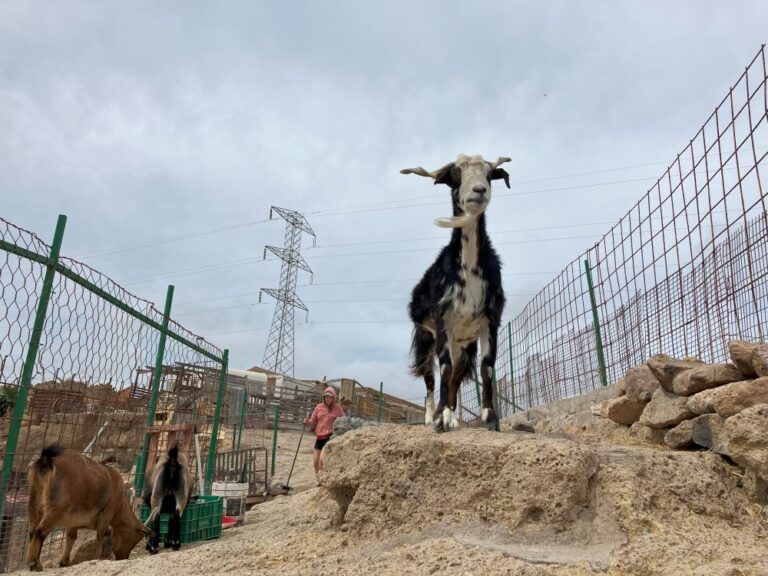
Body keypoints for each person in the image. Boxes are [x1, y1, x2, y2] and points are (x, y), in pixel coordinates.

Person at [304, 386, 345, 478]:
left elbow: (344, 420)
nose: (327, 399)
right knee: (315, 461)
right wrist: (307, 423)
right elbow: (312, 421)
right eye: (326, 397)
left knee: (322, 460)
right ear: (324, 397)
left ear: (333, 397)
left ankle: (322, 479)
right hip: (319, 437)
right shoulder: (319, 407)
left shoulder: (338, 408)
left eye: (330, 397)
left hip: (330, 437)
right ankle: (319, 478)